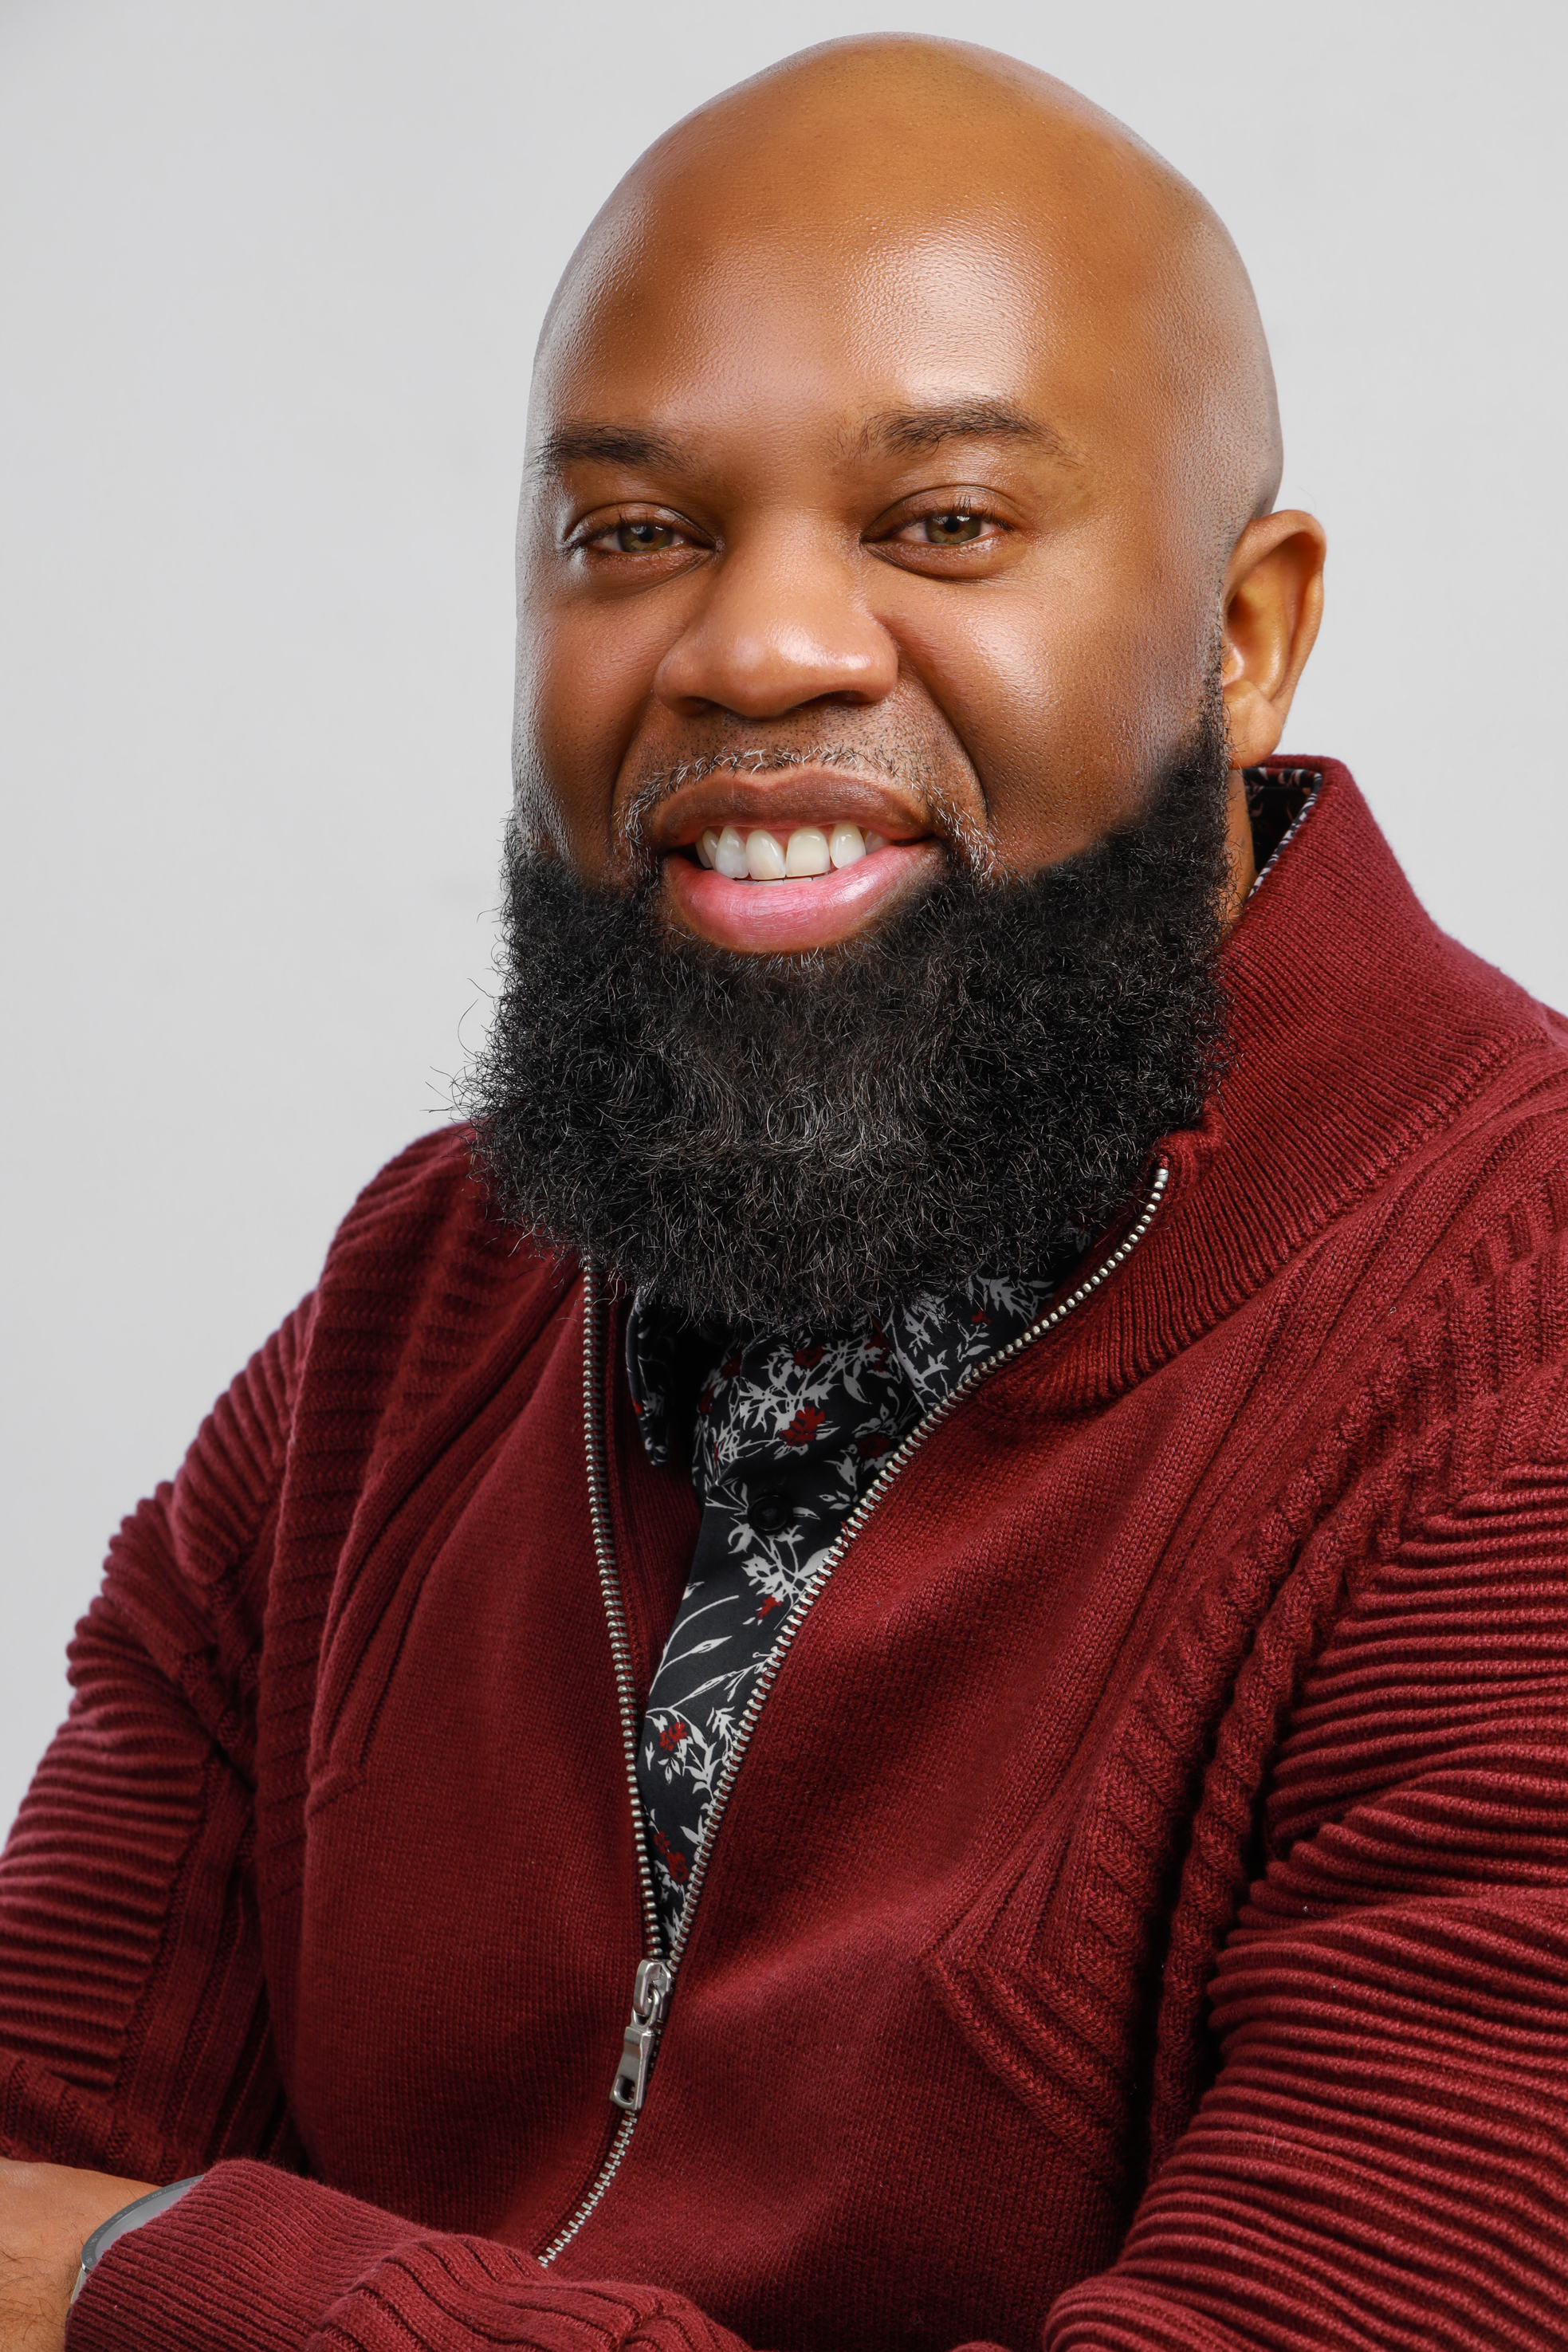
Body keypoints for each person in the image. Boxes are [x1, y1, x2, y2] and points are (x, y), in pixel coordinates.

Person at [3, 32, 1566, 2352]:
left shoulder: (1513, 1380)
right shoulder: (424, 1307)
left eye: (943, 523)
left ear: (1245, 639)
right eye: (634, 534)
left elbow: (62, 2241)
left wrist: (177, 2287)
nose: (752, 650)